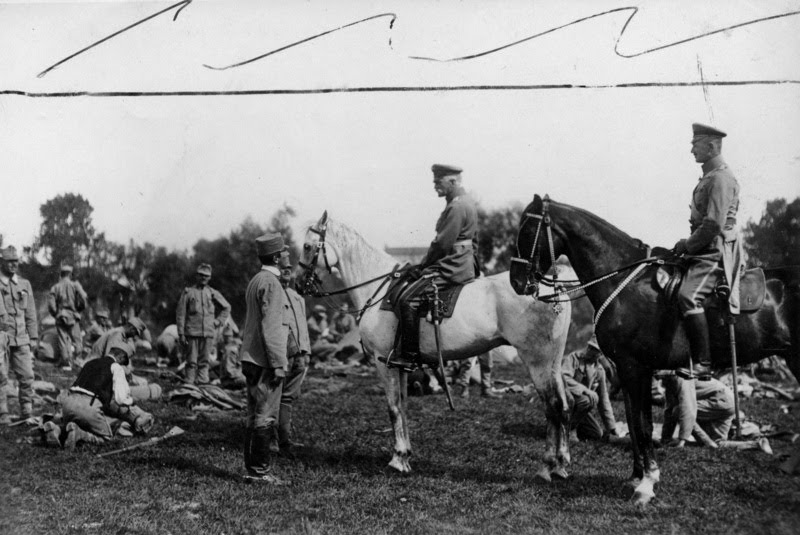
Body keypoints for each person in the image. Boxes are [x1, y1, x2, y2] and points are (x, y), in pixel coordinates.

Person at [389, 164, 480, 369]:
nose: (434, 186)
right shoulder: (467, 202)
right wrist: (474, 266)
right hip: (462, 263)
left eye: (438, 182)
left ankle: (410, 356)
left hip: (451, 265)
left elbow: (442, 244)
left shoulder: (456, 207)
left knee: (407, 299)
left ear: (453, 181)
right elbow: (474, 241)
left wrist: (423, 266)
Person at [673, 123, 741, 379]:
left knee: (687, 296)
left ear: (712, 146)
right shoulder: (709, 176)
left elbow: (713, 224)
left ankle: (703, 361)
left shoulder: (721, 178)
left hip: (715, 251)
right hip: (703, 247)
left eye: (695, 143)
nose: (691, 149)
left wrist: (688, 245)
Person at [240, 232, 290, 482]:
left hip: (250, 357)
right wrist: (278, 363)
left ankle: (253, 469)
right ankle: (260, 472)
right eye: (285, 252)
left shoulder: (256, 279)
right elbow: (271, 328)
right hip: (264, 360)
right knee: (265, 415)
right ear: (277, 257)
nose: (288, 256)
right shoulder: (272, 283)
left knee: (253, 414)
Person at [43, 340, 155, 450]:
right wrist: (131, 402)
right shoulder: (116, 367)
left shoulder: (90, 363)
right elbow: (120, 398)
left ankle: (56, 430)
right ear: (120, 356)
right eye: (124, 361)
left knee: (77, 424)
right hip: (88, 405)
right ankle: (80, 434)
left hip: (68, 403)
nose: (123, 364)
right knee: (105, 439)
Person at [661, 373, 772, 453]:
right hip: (729, 402)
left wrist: (681, 441)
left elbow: (686, 409)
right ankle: (758, 444)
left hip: (719, 401)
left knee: (679, 410)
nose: (656, 375)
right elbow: (668, 409)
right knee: (719, 442)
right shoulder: (672, 380)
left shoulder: (680, 377)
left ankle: (708, 443)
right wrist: (665, 439)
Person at [270, 255, 311, 454]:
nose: (287, 271)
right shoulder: (272, 294)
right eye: (282, 268)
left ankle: (285, 440)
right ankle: (271, 439)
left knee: (288, 398)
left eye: (289, 268)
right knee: (274, 396)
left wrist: (307, 351)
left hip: (299, 355)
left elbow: (302, 326)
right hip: (282, 353)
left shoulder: (297, 298)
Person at [0, 246, 38, 424]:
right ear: (2, 262)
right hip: (2, 338)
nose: (13, 264)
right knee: (1, 376)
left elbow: (30, 313)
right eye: (9, 261)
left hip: (22, 338)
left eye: (16, 261)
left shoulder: (25, 284)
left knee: (27, 375)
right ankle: (3, 413)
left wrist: (34, 337)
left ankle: (27, 411)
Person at [176, 263, 231, 384]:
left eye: (206, 276)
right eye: (201, 275)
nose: (203, 278)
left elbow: (227, 307)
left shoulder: (212, 293)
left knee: (204, 361)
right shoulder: (188, 292)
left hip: (208, 333)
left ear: (210, 278)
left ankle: (202, 382)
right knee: (191, 360)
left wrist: (218, 321)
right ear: (196, 276)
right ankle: (189, 382)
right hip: (192, 332)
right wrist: (181, 333)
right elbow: (181, 314)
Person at [562, 336, 618, 442]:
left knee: (597, 433)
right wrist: (585, 390)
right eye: (590, 347)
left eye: (595, 350)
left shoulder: (599, 370)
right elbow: (563, 377)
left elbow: (604, 400)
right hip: (565, 403)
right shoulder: (574, 358)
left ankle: (572, 425)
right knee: (588, 400)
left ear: (601, 355)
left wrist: (612, 428)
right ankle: (569, 429)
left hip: (579, 408)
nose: (590, 351)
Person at [47, 263, 88, 370]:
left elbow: (51, 304)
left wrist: (55, 313)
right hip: (73, 315)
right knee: (77, 339)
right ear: (70, 274)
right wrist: (80, 309)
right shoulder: (75, 285)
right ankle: (77, 360)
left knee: (62, 340)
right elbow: (84, 297)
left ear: (61, 274)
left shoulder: (55, 287)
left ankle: (66, 363)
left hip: (61, 315)